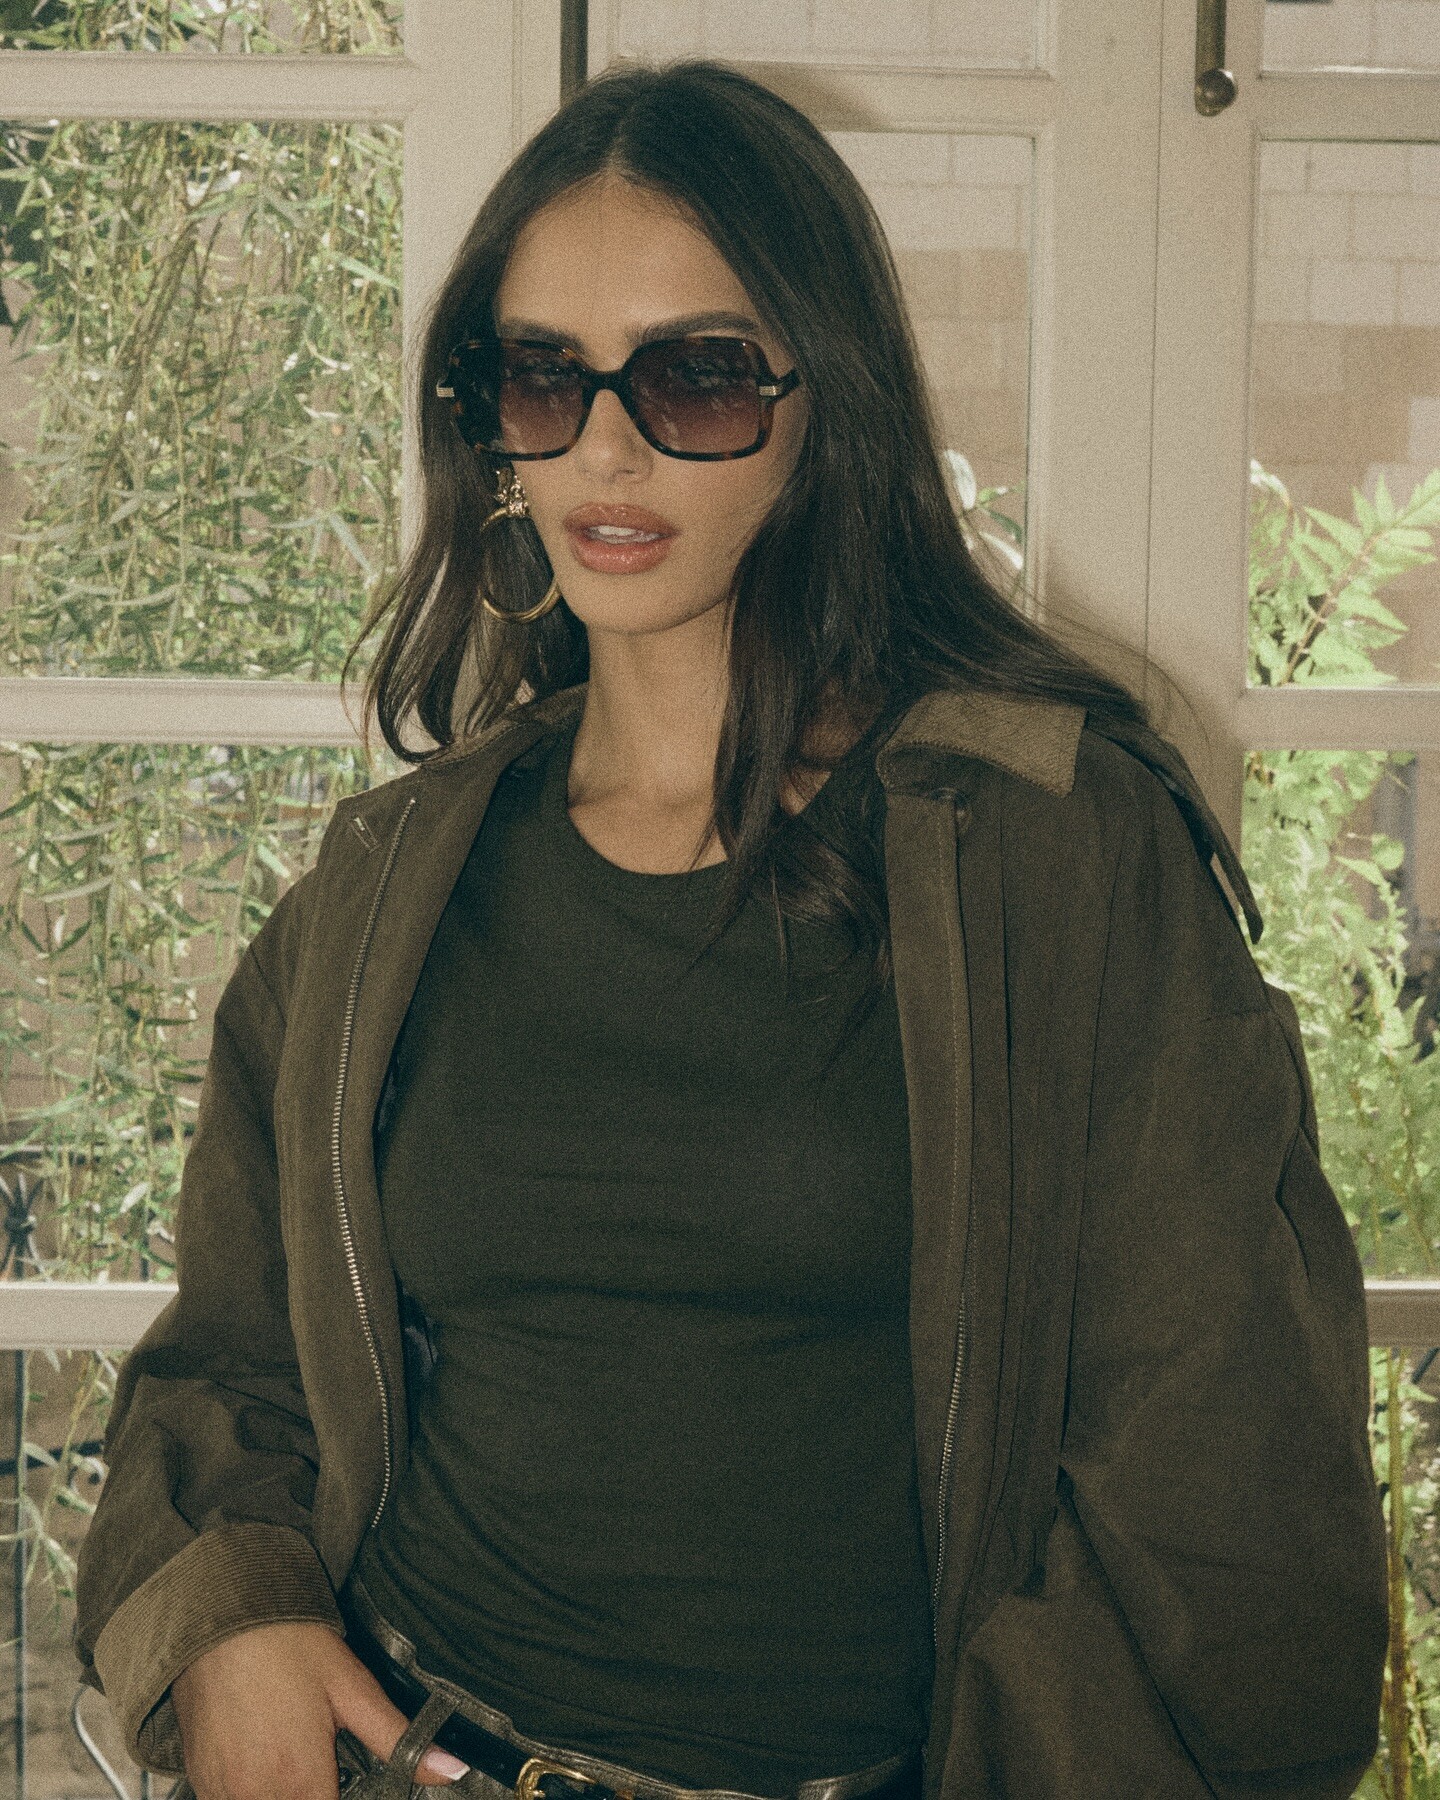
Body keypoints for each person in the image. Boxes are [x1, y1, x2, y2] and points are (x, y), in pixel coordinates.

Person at [73, 57, 1387, 1800]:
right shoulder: (391, 883)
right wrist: (234, 1625)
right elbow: (231, 1364)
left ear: (827, 405)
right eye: (542, 377)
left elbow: (1226, 1490)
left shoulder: (1052, 857)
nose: (606, 449)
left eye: (694, 377)